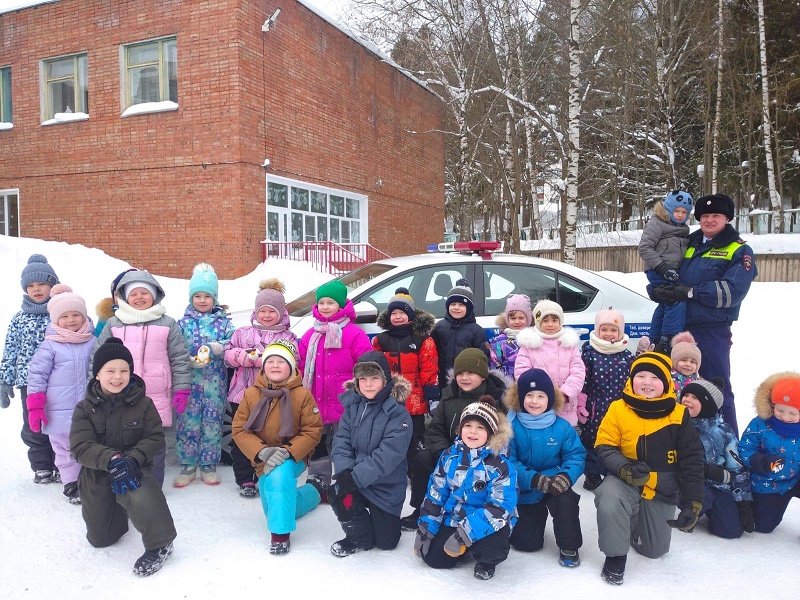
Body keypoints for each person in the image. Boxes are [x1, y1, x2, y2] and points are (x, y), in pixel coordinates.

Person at [651, 193, 758, 436]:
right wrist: (658, 288)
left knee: (714, 388)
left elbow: (733, 291)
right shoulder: (690, 242)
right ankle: (682, 446)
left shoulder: (739, 249)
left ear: (727, 218)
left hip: (710, 331)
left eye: (715, 215)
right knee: (675, 389)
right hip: (677, 327)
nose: (709, 220)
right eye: (704, 216)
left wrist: (689, 292)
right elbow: (668, 267)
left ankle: (728, 447)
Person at [594, 352, 704, 585]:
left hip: (661, 486)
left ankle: (633, 524)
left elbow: (692, 460)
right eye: (640, 375)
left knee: (655, 551)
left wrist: (692, 503)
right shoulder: (618, 408)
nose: (646, 382)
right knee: (609, 496)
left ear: (665, 383)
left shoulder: (678, 414)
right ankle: (615, 556)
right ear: (631, 380)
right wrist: (624, 468)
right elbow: (604, 446)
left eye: (655, 377)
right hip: (625, 478)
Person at [70, 337, 177, 577]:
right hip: (98, 472)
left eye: (124, 370)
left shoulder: (144, 404)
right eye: (110, 371)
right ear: (97, 374)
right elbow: (80, 446)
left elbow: (155, 438)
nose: (117, 377)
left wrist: (131, 459)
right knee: (101, 539)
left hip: (134, 466)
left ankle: (161, 543)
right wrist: (111, 459)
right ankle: (117, 515)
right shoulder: (84, 409)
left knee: (140, 491)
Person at [92, 270, 192, 485]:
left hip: (157, 394)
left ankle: (152, 486)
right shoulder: (114, 324)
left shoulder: (167, 324)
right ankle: (124, 479)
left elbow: (180, 358)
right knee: (122, 439)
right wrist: (95, 389)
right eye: (134, 293)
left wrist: (182, 389)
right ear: (124, 297)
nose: (139, 297)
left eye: (144, 293)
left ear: (154, 295)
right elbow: (98, 358)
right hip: (121, 392)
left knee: (154, 441)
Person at [231, 340, 323, 555]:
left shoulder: (302, 395)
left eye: (281, 361)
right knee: (274, 505)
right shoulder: (251, 394)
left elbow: (313, 430)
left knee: (279, 479)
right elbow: (239, 429)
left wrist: (288, 451)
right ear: (263, 366)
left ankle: (280, 534)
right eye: (270, 361)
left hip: (294, 455)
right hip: (261, 456)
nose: (274, 365)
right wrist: (262, 451)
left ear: (291, 367)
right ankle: (314, 492)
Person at [403, 348, 508, 530]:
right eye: (460, 373)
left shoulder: (497, 398)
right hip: (450, 450)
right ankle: (421, 507)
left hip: (482, 455)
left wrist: (473, 456)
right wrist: (447, 454)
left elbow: (499, 434)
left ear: (483, 376)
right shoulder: (448, 395)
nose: (464, 378)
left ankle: (478, 512)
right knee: (422, 459)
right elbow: (436, 429)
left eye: (471, 373)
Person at [414, 398, 516, 581]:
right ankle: (466, 548)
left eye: (481, 427)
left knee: (492, 548)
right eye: (468, 425)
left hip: (490, 521)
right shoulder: (449, 456)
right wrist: (426, 528)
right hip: (456, 517)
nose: (473, 431)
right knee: (433, 558)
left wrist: (464, 534)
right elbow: (436, 494)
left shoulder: (500, 465)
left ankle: (485, 560)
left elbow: (499, 507)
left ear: (491, 433)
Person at [328, 352, 413, 557]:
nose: (368, 384)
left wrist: (355, 478)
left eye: (374, 378)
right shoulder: (353, 406)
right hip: (356, 477)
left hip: (385, 486)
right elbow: (342, 442)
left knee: (386, 542)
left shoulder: (398, 413)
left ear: (385, 380)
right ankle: (358, 537)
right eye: (363, 378)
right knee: (339, 493)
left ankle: (379, 520)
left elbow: (388, 455)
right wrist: (345, 473)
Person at [224, 278, 298, 496]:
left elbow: (294, 359)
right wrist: (243, 357)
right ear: (255, 312)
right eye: (262, 310)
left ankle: (267, 473)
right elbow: (228, 355)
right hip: (243, 395)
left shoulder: (287, 336)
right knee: (243, 437)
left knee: (268, 436)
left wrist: (263, 359)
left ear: (281, 313)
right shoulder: (243, 333)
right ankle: (246, 478)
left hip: (275, 397)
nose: (266, 315)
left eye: (271, 311)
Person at [371, 288, 439, 523]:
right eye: (394, 313)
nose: (398, 317)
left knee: (415, 443)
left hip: (415, 402)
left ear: (411, 315)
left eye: (402, 312)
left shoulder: (423, 340)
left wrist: (431, 395)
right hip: (389, 401)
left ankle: (415, 480)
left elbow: (429, 369)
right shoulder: (381, 340)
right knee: (390, 440)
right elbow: (376, 367)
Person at [506, 368, 586, 567]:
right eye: (529, 396)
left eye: (541, 396)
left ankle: (569, 545)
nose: (535, 401)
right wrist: (533, 479)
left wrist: (566, 477)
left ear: (549, 398)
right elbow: (508, 461)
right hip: (527, 487)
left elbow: (575, 455)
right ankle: (532, 518)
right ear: (520, 398)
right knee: (525, 544)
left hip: (555, 483)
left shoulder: (562, 426)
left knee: (566, 499)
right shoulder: (511, 426)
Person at [25, 285, 95, 504]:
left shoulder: (93, 342)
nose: (71, 320)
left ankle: (90, 482)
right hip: (58, 411)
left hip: (88, 410)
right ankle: (72, 483)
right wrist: (35, 406)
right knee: (64, 450)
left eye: (76, 314)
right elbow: (36, 376)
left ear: (84, 316)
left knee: (87, 445)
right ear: (56, 320)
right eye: (64, 316)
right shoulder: (49, 346)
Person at [299, 280, 372, 487]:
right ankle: (319, 480)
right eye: (321, 302)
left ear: (341, 305)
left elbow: (366, 365)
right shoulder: (311, 335)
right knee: (318, 443)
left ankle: (345, 479)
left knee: (344, 443)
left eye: (330, 302)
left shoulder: (354, 334)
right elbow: (302, 365)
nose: (325, 307)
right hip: (316, 401)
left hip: (344, 403)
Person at [0, 254, 60, 483]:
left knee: (58, 422)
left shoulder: (60, 314)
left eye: (41, 284)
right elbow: (10, 350)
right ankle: (42, 465)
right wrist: (5, 379)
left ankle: (60, 462)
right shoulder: (19, 318)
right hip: (29, 383)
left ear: (52, 285)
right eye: (31, 286)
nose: (36, 289)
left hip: (57, 379)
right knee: (34, 423)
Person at [175, 264, 235, 487]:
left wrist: (218, 348)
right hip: (189, 384)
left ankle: (208, 465)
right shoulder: (182, 324)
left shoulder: (225, 324)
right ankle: (188, 465)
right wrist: (186, 359)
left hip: (214, 385)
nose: (202, 300)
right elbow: (174, 347)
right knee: (188, 425)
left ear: (215, 298)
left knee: (212, 425)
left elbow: (233, 344)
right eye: (197, 296)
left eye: (207, 296)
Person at [680, 378, 754, 538]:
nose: (687, 400)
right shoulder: (677, 426)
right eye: (686, 395)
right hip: (689, 483)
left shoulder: (723, 432)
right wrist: (705, 471)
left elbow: (737, 468)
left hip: (720, 486)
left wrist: (743, 503)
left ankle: (713, 511)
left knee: (731, 531)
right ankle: (688, 514)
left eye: (695, 397)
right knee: (703, 495)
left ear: (708, 405)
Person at [578, 308, 634, 491]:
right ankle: (592, 476)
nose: (608, 334)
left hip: (619, 408)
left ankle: (612, 472)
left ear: (620, 332)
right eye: (604, 329)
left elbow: (632, 381)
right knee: (593, 442)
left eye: (613, 330)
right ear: (597, 330)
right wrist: (581, 404)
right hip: (595, 407)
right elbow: (583, 382)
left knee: (614, 441)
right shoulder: (589, 354)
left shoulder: (626, 355)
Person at [738, 373, 800, 534]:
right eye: (780, 410)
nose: (785, 417)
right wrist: (762, 461)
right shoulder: (760, 424)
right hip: (767, 483)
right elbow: (744, 449)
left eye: (792, 413)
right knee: (763, 527)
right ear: (772, 406)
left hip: (796, 479)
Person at [514, 299, 586, 427]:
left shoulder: (569, 345)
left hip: (565, 408)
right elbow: (522, 372)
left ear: (561, 321)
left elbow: (578, 372)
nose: (550, 324)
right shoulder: (528, 346)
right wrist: (540, 395)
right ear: (538, 322)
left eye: (554, 320)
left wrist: (564, 394)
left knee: (565, 440)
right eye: (545, 320)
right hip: (537, 407)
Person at [638, 190, 693, 352]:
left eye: (684, 212)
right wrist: (662, 267)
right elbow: (644, 247)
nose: (681, 215)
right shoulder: (657, 223)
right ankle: (669, 338)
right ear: (668, 209)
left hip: (672, 271)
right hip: (658, 269)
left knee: (664, 304)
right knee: (676, 299)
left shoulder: (682, 228)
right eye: (677, 211)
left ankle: (654, 338)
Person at [431, 278, 490, 391]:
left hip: (467, 382)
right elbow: (431, 354)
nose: (456, 308)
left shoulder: (476, 331)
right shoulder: (439, 327)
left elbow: (483, 358)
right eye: (453, 304)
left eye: (461, 305)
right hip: (443, 382)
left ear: (469, 309)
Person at [488, 293, 532, 378]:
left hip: (531, 386)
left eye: (521, 318)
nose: (517, 322)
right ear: (507, 319)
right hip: (507, 386)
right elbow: (494, 366)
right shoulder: (498, 342)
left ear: (528, 319)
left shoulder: (535, 340)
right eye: (513, 318)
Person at [94, 268, 138, 337]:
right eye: (117, 294)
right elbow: (98, 341)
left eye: (124, 294)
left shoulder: (153, 316)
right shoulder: (106, 319)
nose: (121, 298)